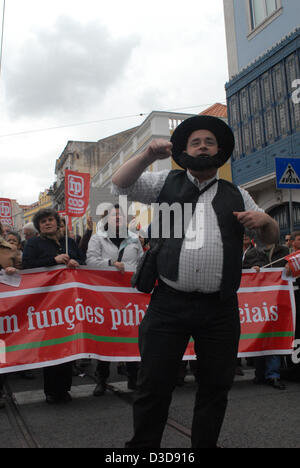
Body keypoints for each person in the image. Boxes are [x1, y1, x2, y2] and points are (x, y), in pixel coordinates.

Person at [111, 115, 279, 448]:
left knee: (216, 387)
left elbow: (269, 238)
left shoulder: (238, 194)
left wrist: (266, 221)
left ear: (220, 151)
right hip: (168, 304)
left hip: (219, 309)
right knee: (153, 385)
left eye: (210, 142)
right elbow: (120, 185)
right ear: (185, 150)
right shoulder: (165, 182)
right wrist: (146, 156)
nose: (203, 147)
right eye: (196, 142)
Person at [22, 208, 85, 404]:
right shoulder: (33, 243)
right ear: (39, 226)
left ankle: (64, 388)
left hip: (69, 302)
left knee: (67, 344)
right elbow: (28, 266)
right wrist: (53, 260)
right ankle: (51, 391)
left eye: (50, 220)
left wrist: (77, 262)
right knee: (51, 345)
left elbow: (84, 261)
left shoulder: (70, 242)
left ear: (57, 223)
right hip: (48, 303)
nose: (47, 223)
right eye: (43, 222)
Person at [86, 204, 143, 395]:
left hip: (130, 296)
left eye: (121, 216)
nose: (118, 218)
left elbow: (141, 262)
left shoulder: (134, 239)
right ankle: (101, 378)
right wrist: (110, 264)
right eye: (113, 215)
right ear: (106, 220)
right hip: (106, 297)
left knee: (132, 335)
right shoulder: (97, 238)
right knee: (106, 335)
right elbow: (91, 261)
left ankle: (133, 378)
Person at [243, 242, 289, 389]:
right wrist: (251, 270)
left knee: (274, 337)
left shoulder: (284, 251)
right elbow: (242, 274)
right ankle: (260, 373)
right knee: (259, 338)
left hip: (277, 300)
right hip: (258, 303)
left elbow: (290, 271)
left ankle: (273, 375)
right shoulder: (251, 254)